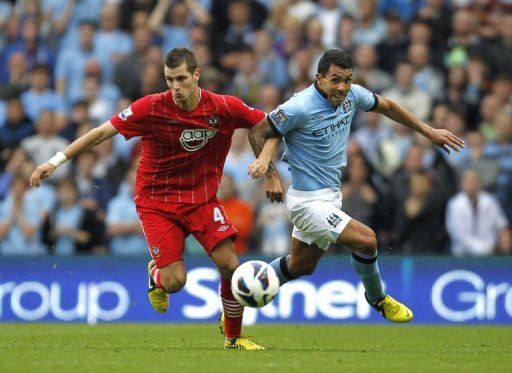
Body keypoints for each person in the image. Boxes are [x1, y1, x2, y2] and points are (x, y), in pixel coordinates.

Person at [30, 48, 284, 350]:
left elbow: (271, 128)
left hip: (201, 199)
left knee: (229, 265)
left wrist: (270, 172)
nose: (175, 87)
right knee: (176, 281)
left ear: (196, 75)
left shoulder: (223, 107)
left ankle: (233, 337)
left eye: (180, 79)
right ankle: (157, 275)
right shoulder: (150, 107)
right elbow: (100, 133)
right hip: (157, 203)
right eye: (169, 80)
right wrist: (55, 161)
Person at [247, 49, 465, 323]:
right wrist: (271, 175)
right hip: (306, 202)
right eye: (336, 80)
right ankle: (377, 298)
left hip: (330, 197)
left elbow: (387, 106)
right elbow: (259, 132)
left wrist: (428, 131)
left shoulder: (353, 95)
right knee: (367, 241)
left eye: (347, 80)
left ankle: (236, 300)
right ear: (320, 78)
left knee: (300, 266)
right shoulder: (299, 106)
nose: (342, 87)